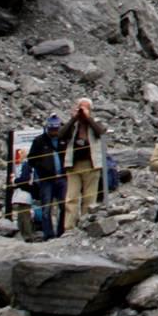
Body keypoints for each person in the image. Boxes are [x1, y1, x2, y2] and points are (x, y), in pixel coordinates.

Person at [59, 98, 108, 229]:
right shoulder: (72, 124)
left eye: (85, 108)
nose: (82, 110)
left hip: (91, 165)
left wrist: (88, 118)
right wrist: (74, 119)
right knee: (71, 198)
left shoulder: (95, 122)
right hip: (73, 165)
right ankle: (69, 227)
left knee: (89, 198)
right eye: (80, 107)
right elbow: (61, 135)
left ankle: (86, 226)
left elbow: (101, 133)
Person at [26, 114, 67, 240]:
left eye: (56, 129)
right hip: (46, 179)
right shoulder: (39, 141)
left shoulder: (63, 140)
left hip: (62, 177)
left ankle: (61, 231)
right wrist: (42, 168)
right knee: (46, 208)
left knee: (64, 206)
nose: (54, 132)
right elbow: (31, 159)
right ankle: (48, 234)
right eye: (51, 129)